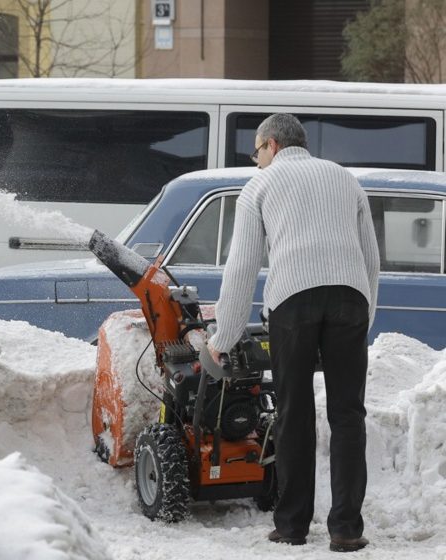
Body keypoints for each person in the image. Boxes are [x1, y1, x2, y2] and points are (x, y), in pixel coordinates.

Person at [206, 114, 379, 553]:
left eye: (256, 153)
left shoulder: (261, 186)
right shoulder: (343, 178)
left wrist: (221, 339)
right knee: (347, 415)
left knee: (294, 413)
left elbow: (242, 266)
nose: (256, 161)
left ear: (272, 146)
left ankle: (293, 525)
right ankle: (346, 529)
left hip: (293, 301)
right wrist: (363, 318)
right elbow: (370, 255)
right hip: (350, 298)